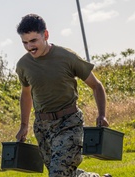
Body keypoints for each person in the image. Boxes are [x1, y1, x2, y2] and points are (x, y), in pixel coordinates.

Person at [14, 14, 111, 177]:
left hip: (69, 123)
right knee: (62, 171)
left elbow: (96, 85)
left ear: (45, 35)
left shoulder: (67, 57)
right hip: (43, 127)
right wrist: (24, 125)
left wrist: (102, 115)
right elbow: (26, 94)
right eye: (25, 42)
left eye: (33, 41)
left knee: (58, 173)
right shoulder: (23, 65)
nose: (29, 46)